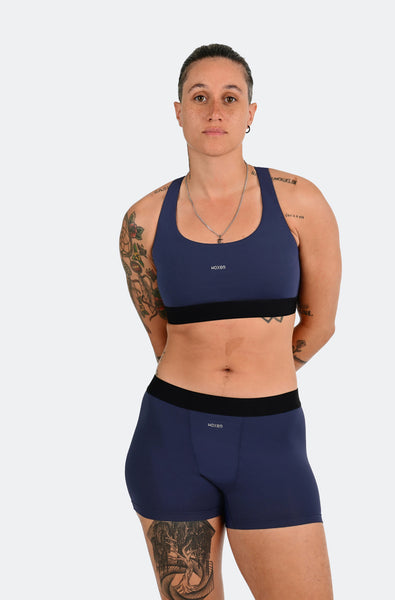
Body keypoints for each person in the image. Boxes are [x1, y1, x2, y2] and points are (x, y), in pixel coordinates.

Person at [119, 43, 341, 600]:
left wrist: (259, 369)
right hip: (171, 439)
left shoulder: (301, 202)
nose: (215, 111)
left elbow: (320, 323)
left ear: (250, 113)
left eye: (229, 97)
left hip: (270, 437)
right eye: (200, 97)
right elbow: (161, 336)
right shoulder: (143, 220)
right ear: (178, 112)